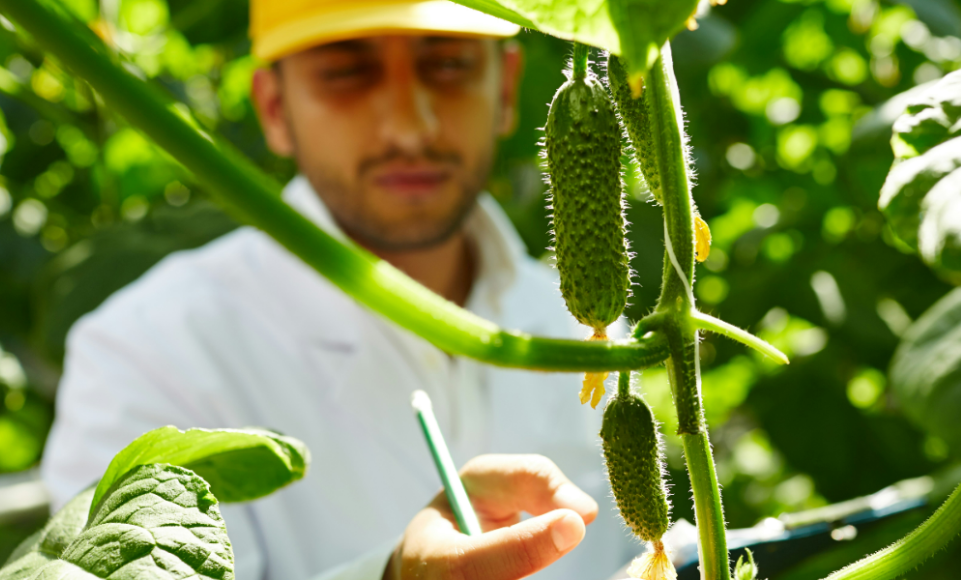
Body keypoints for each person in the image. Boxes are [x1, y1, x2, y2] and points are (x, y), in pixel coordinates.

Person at [40, 0, 638, 579]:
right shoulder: (144, 354)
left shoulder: (581, 325)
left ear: (506, 89)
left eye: (449, 65)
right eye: (346, 72)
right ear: (274, 107)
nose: (410, 126)